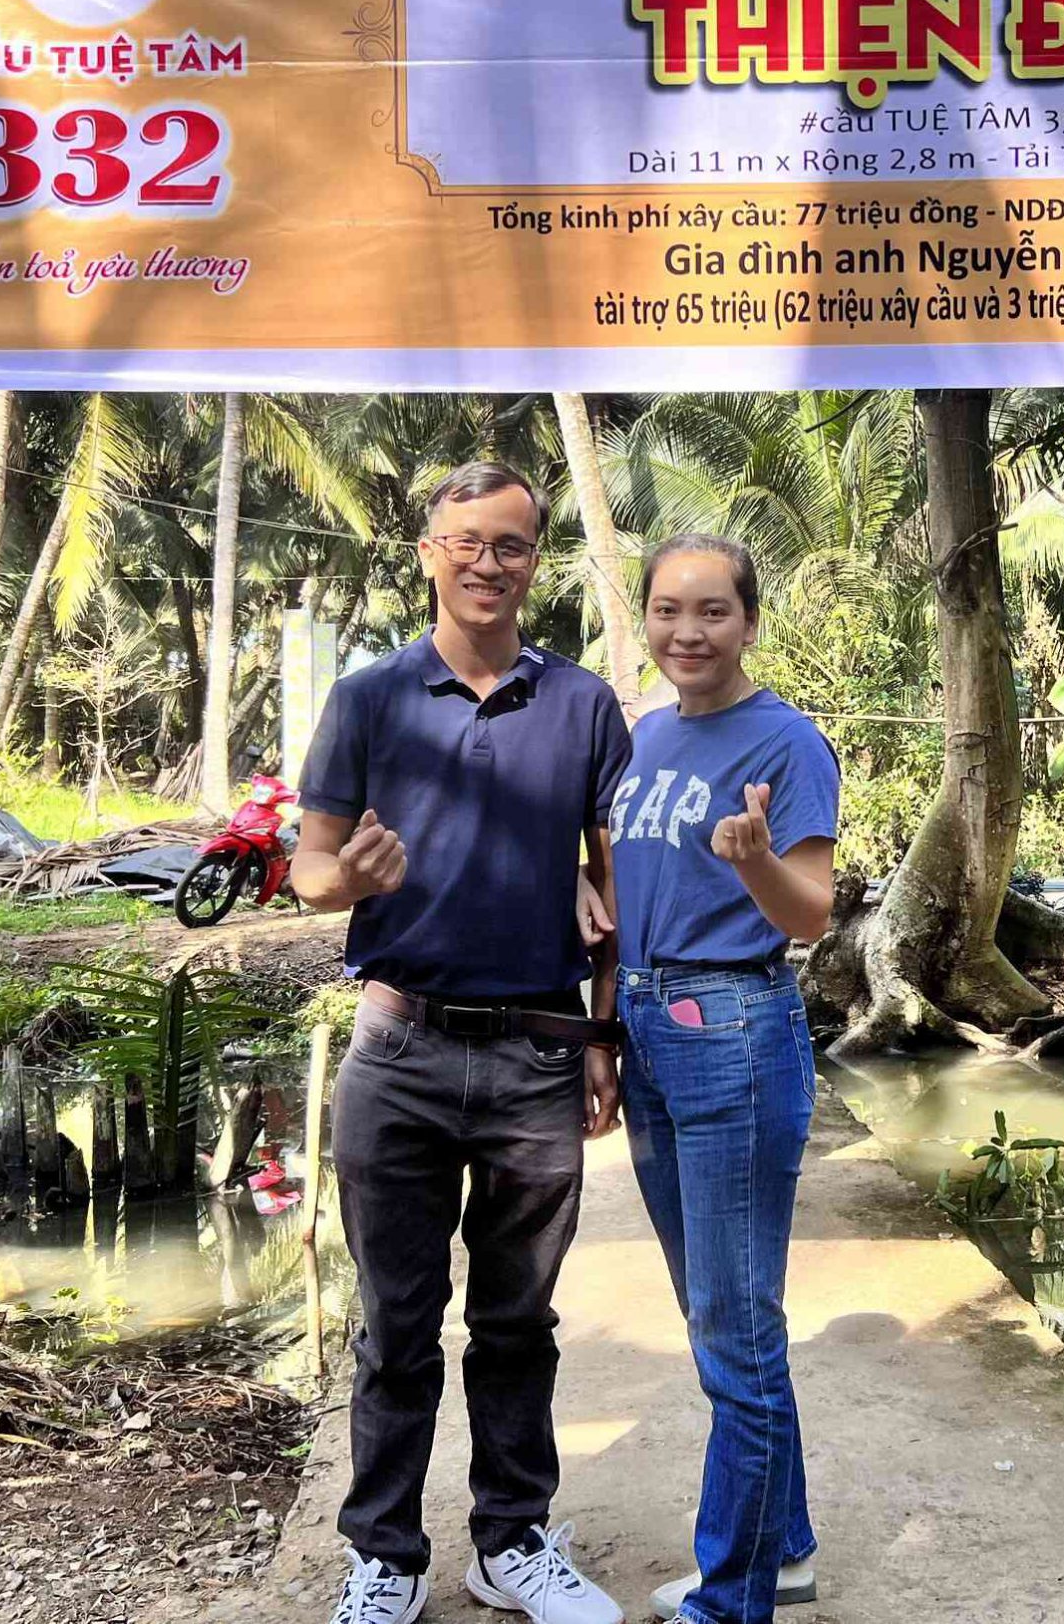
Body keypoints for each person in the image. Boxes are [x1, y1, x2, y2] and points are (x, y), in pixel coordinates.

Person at [291, 461, 632, 1624]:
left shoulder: (583, 705)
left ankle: (510, 1541)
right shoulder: (368, 699)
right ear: (428, 553)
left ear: (536, 560)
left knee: (516, 1322)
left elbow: (615, 878)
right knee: (395, 1326)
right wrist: (348, 879)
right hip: (399, 1050)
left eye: (512, 544)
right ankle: (386, 1557)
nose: (489, 563)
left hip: (537, 1055)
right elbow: (308, 869)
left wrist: (603, 1029)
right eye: (467, 541)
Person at [592, 534, 839, 1624]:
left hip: (733, 1027)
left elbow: (810, 915)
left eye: (712, 612)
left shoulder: (787, 741)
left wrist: (754, 861)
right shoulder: (646, 736)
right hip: (650, 1026)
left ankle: (731, 1601)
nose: (686, 632)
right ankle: (782, 1551)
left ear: (749, 622)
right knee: (718, 1319)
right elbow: (617, 891)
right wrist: (602, 1033)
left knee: (736, 1330)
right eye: (667, 610)